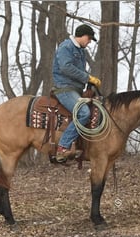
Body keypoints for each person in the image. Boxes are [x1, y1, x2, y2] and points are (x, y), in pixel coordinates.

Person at [52, 24, 101, 163]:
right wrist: (88, 78)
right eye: (89, 38)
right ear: (83, 35)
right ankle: (62, 147)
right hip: (65, 88)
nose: (90, 41)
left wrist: (90, 82)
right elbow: (66, 67)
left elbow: (78, 71)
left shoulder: (80, 51)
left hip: (76, 89)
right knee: (84, 113)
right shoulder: (66, 47)